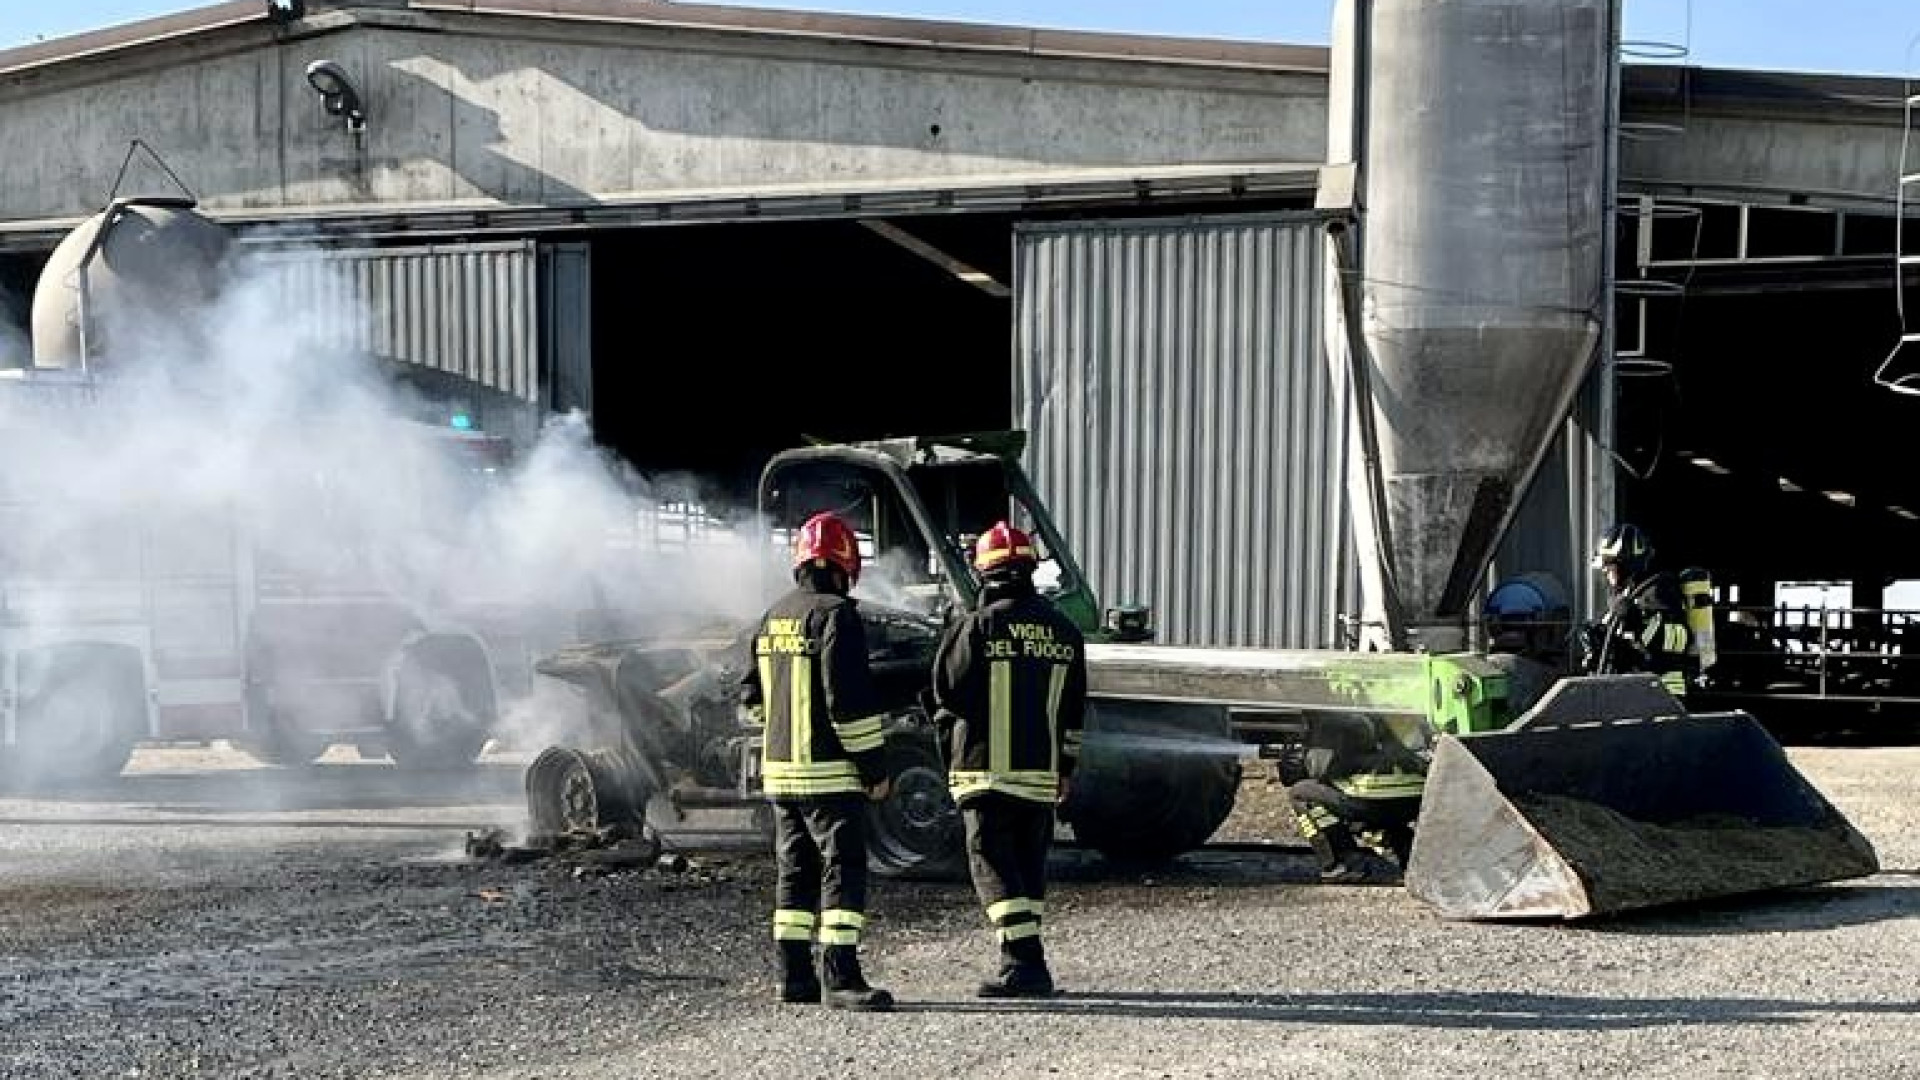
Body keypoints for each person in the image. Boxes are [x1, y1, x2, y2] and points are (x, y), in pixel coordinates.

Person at [738, 511, 894, 1012]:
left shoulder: (772, 615)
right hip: (829, 776)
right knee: (841, 869)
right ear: (846, 562)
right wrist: (874, 770)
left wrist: (783, 723)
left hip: (780, 775)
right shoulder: (837, 615)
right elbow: (846, 703)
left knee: (793, 870)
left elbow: (751, 700)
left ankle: (793, 977)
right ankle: (841, 979)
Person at [931, 520, 1087, 998]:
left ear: (983, 573)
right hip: (1039, 776)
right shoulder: (1064, 630)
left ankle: (1024, 963)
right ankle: (1022, 957)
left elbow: (946, 692)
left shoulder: (976, 626)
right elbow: (1074, 708)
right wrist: (1065, 767)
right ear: (1030, 569)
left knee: (992, 864)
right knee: (1026, 866)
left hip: (985, 771)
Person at [1282, 712, 1427, 885]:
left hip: (1368, 799)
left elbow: (1318, 768)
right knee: (1383, 813)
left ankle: (1340, 864)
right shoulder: (1409, 712)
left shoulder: (1337, 716)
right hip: (1415, 798)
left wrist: (1296, 762)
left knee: (1301, 793)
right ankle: (1405, 852)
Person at [1583, 522, 1695, 700]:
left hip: (1663, 693)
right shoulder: (1625, 597)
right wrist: (1600, 640)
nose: (1604, 570)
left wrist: (1638, 624)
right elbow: (1629, 650)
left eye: (1609, 564)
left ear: (1626, 564)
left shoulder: (1659, 591)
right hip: (1633, 691)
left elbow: (1680, 640)